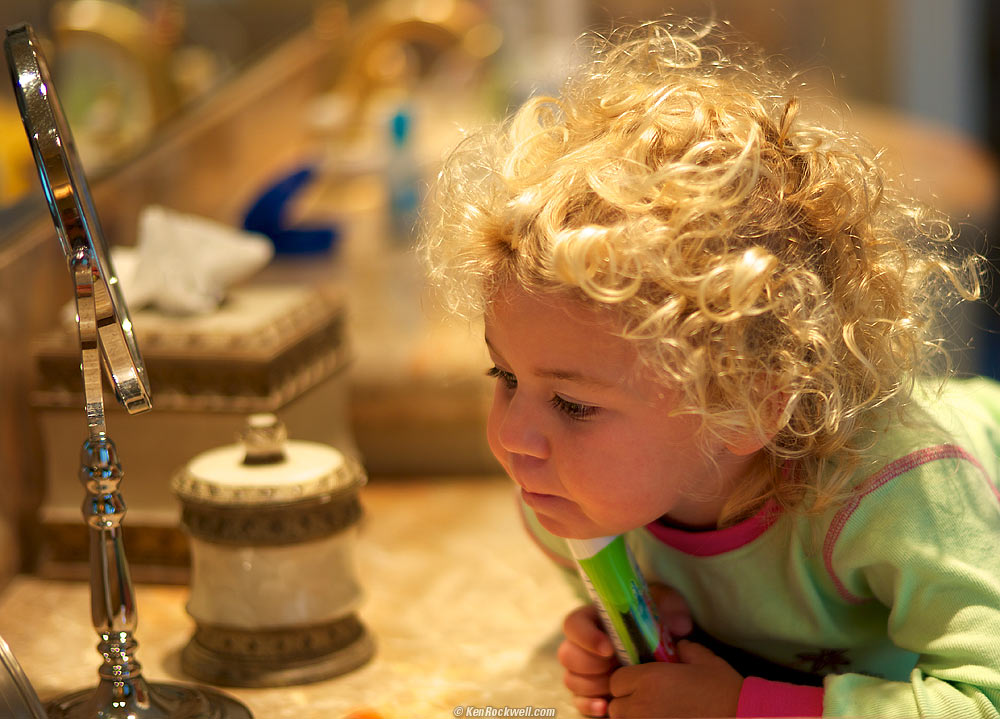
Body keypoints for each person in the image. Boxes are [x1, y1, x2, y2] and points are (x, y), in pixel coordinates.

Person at [419, 17, 1000, 718]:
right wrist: (633, 633)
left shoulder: (895, 494)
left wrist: (742, 707)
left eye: (573, 405)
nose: (514, 436)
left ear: (749, 407)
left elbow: (985, 698)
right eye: (506, 377)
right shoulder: (568, 496)